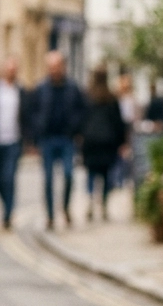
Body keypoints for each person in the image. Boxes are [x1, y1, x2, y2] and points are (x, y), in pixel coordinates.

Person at [30, 51, 86, 230]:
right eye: (51, 67)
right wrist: (36, 133)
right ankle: (50, 216)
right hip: (47, 139)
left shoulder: (72, 87)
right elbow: (33, 112)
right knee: (48, 179)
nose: (54, 70)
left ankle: (66, 208)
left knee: (69, 175)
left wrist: (76, 128)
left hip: (67, 138)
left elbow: (82, 109)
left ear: (63, 66)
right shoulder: (41, 88)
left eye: (57, 66)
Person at [81, 69, 126, 220]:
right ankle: (104, 205)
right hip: (107, 142)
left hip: (91, 142)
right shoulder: (111, 98)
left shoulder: (87, 96)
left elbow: (81, 120)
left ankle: (90, 201)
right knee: (106, 176)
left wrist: (81, 137)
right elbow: (118, 122)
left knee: (91, 174)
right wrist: (121, 142)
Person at [0, 57, 29, 230]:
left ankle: (8, 213)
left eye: (14, 69)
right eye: (8, 69)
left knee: (9, 177)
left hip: (13, 141)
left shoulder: (21, 91)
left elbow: (28, 117)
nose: (11, 72)